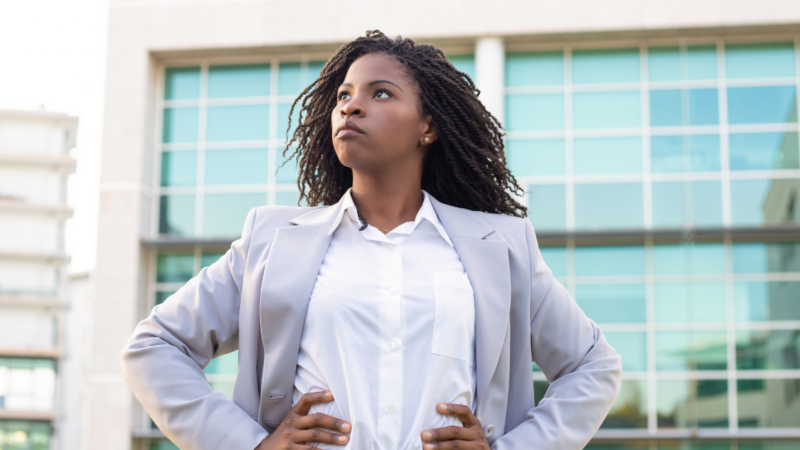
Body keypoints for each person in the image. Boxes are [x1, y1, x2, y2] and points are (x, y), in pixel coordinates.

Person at [121, 30, 622, 450]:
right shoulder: (272, 241)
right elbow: (155, 346)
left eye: (379, 93)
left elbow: (592, 366)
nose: (351, 107)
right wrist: (250, 443)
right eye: (344, 95)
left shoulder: (503, 247)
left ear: (427, 126)